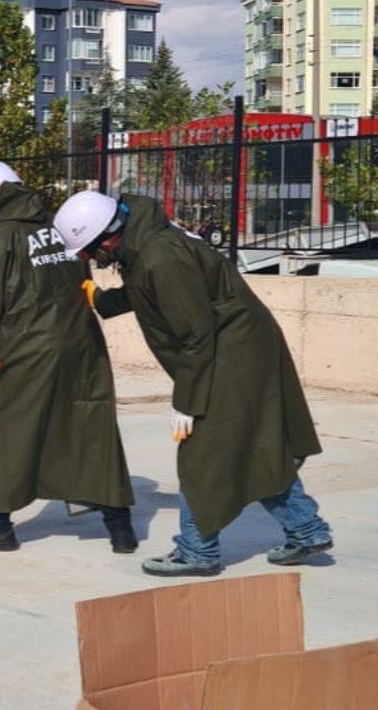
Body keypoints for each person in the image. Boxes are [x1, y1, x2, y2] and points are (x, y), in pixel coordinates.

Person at [52, 190, 333, 577]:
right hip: (232, 348)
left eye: (88, 250)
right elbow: (145, 291)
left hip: (231, 354)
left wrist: (187, 401)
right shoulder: (142, 243)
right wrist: (101, 300)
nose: (87, 258)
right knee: (251, 444)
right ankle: (306, 530)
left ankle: (197, 551)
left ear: (109, 235)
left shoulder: (159, 256)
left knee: (200, 452)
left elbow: (196, 335)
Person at [0, 163, 137, 554]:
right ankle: (120, 528)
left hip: (30, 346)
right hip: (83, 342)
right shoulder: (59, 224)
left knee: (13, 429)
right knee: (91, 426)